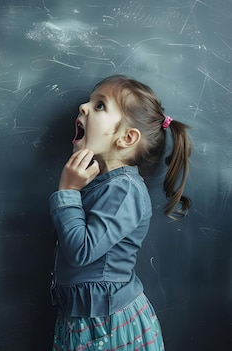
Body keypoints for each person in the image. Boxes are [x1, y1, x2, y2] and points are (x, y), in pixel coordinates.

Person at [48, 75, 191, 350]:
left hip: (107, 325)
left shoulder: (125, 189)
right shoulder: (102, 184)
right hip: (85, 320)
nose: (83, 107)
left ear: (127, 138)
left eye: (100, 105)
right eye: (89, 101)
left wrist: (67, 191)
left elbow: (81, 250)